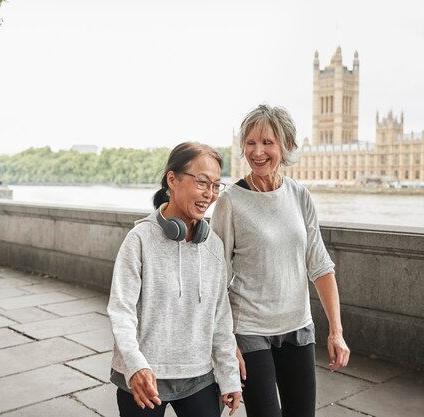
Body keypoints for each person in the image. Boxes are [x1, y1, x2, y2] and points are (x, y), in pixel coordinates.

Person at [211, 105, 351, 417]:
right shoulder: (230, 202)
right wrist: (224, 345)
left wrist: (336, 331)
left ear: (285, 146)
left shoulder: (300, 196)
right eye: (250, 143)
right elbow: (215, 279)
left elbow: (320, 266)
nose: (257, 152)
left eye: (267, 142)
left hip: (298, 327)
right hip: (249, 329)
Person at [108, 142, 242, 417]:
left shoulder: (213, 246)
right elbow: (121, 311)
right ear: (173, 179)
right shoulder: (139, 240)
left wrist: (229, 376)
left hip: (198, 376)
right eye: (202, 183)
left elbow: (221, 318)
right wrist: (135, 365)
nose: (210, 195)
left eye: (216, 185)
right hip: (143, 377)